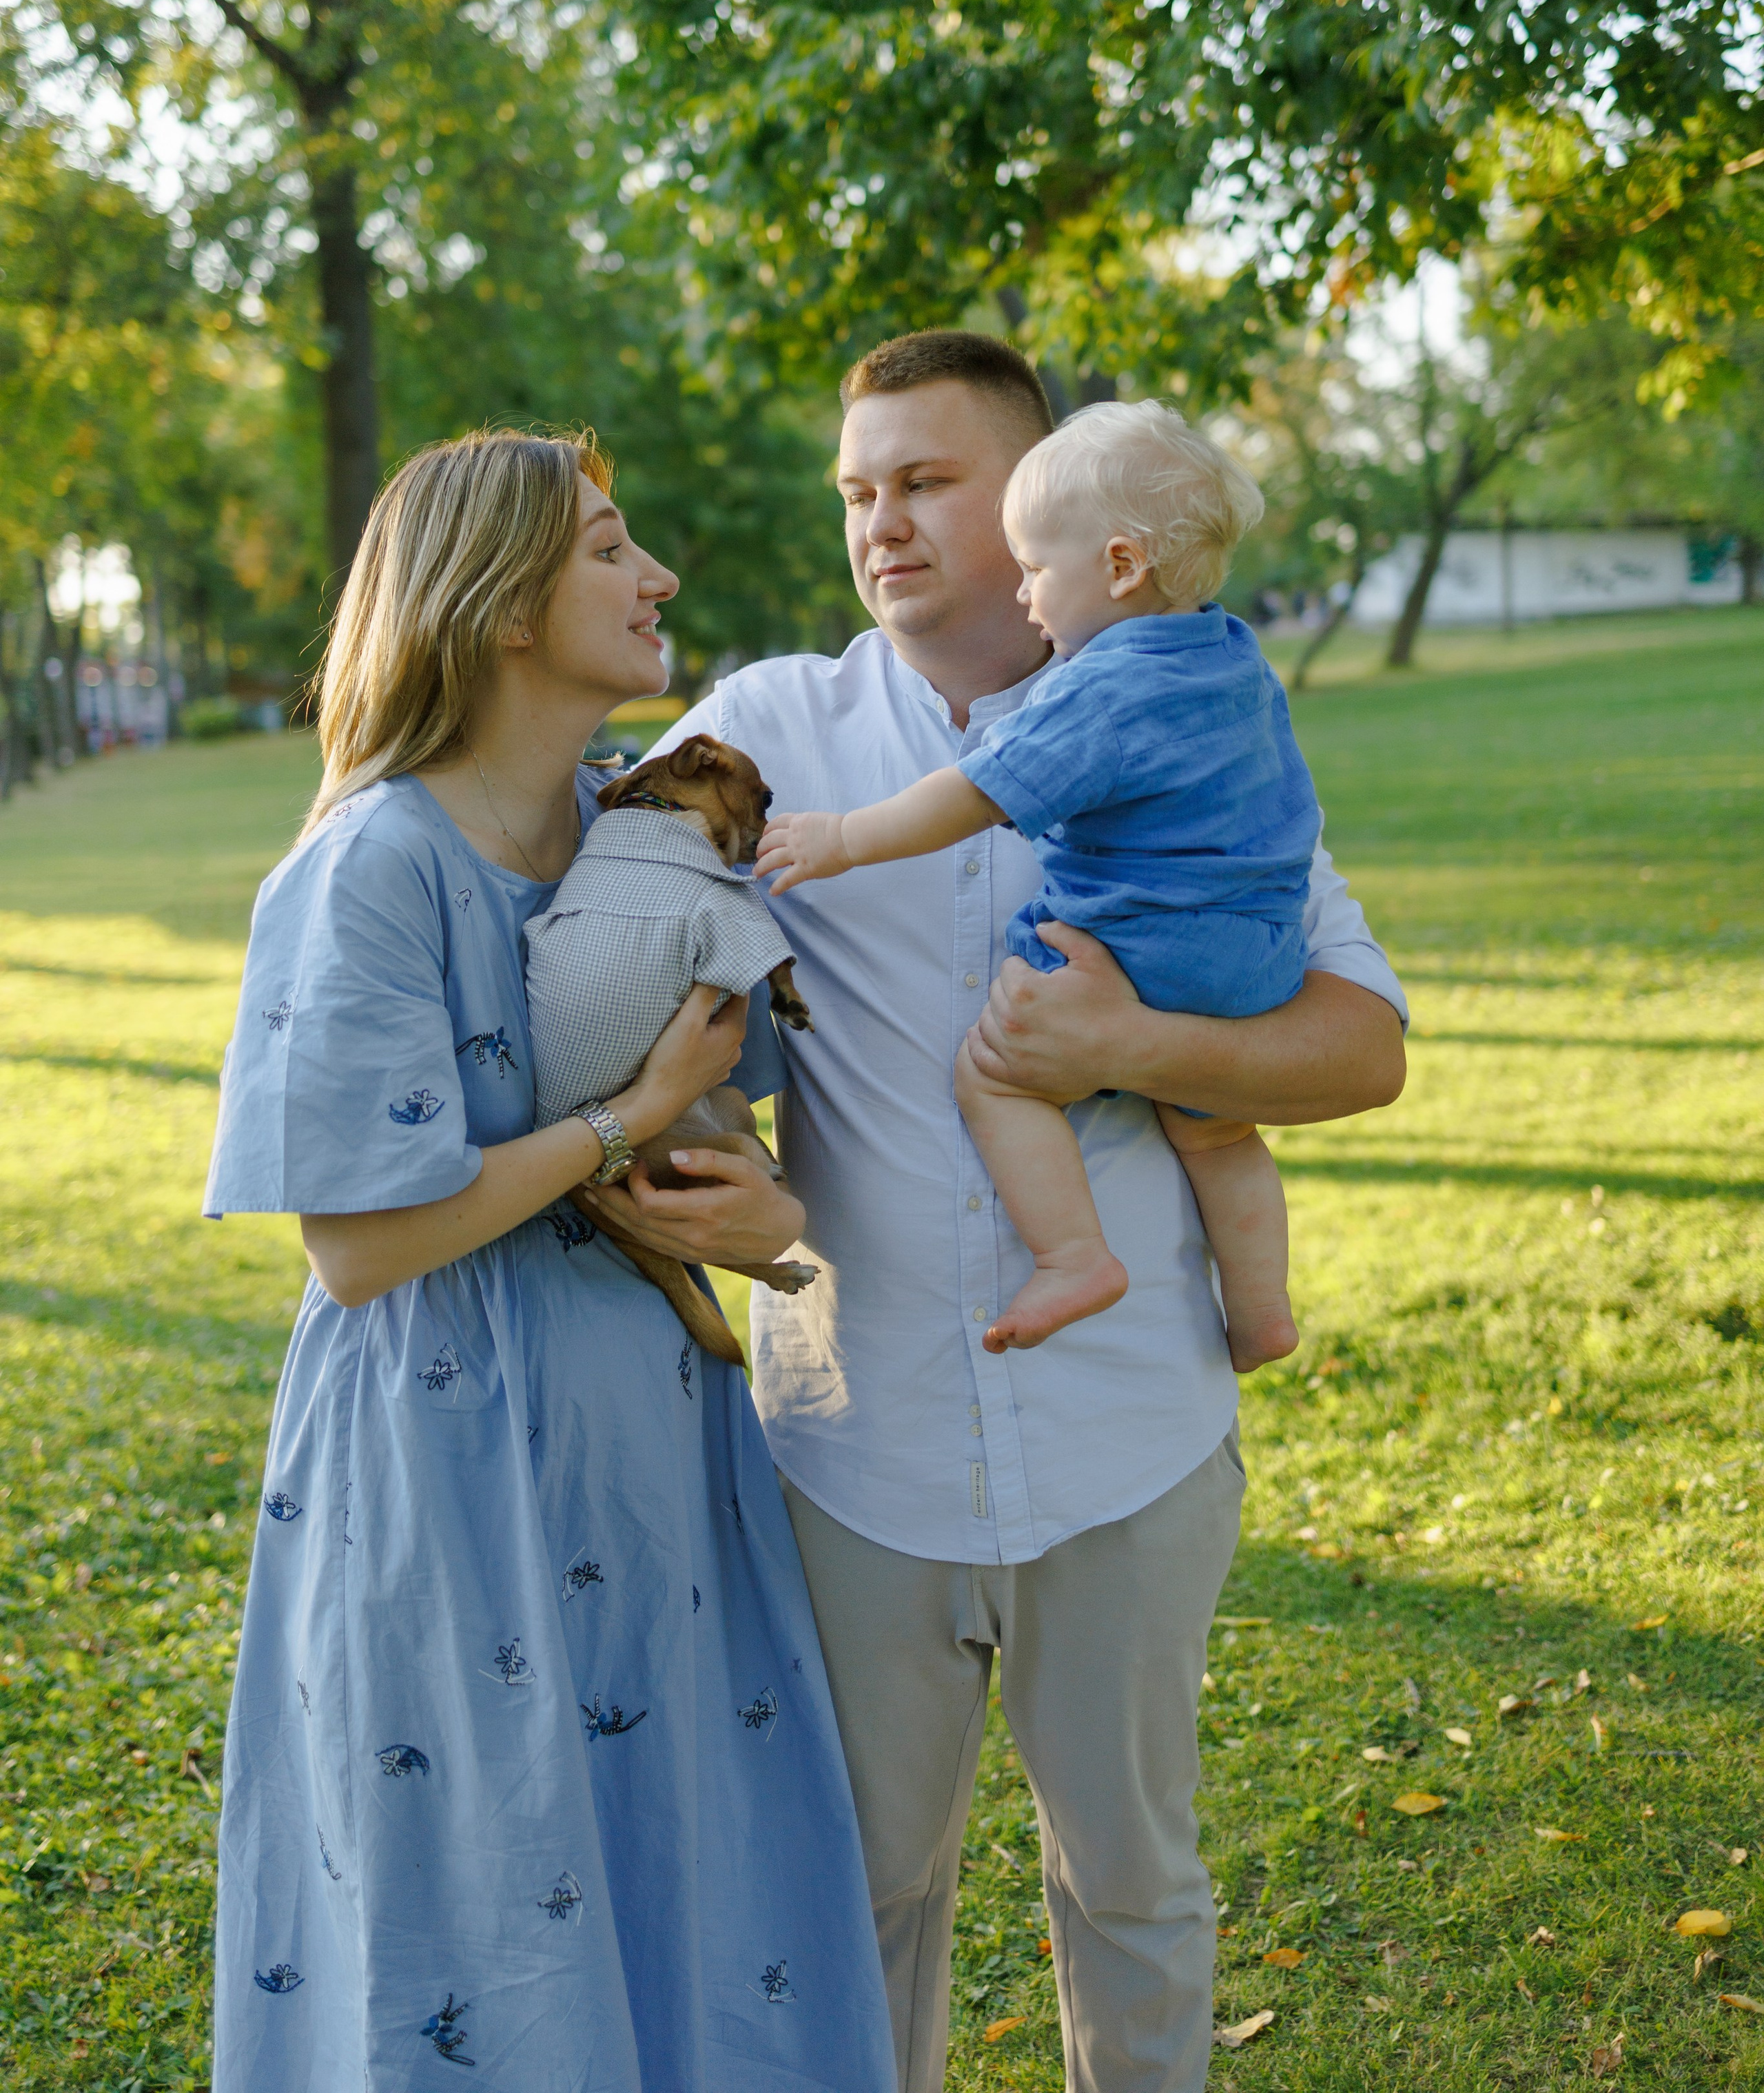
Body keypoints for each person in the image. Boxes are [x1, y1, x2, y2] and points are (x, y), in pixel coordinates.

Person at [659, 333, 1407, 2093]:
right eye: (858, 490)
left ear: (1041, 502)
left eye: (925, 482)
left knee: (1136, 1885)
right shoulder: (772, 729)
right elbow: (626, 958)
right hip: (857, 1445)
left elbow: (1362, 1045)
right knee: (856, 1890)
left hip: (1127, 1435)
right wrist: (703, 1137)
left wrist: (1134, 1040)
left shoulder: (1189, 712)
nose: (882, 524)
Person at [201, 429, 894, 2093]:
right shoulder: (369, 868)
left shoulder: (641, 836)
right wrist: (617, 1122)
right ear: (501, 604)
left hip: (656, 1451)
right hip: (447, 1460)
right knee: (479, 1896)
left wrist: (764, 1220)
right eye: (607, 549)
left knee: (689, 1863)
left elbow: (749, 1152)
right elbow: (361, 1243)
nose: (654, 579)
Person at [757, 398, 1318, 1367]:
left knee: (996, 1076)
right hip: (1256, 951)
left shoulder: (1100, 687)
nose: (1026, 597)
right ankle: (1263, 1305)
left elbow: (975, 794)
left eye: (1035, 570)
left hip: (1134, 944)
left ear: (1118, 566)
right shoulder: (1230, 652)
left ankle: (1073, 1257)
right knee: (1221, 1135)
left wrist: (842, 837)